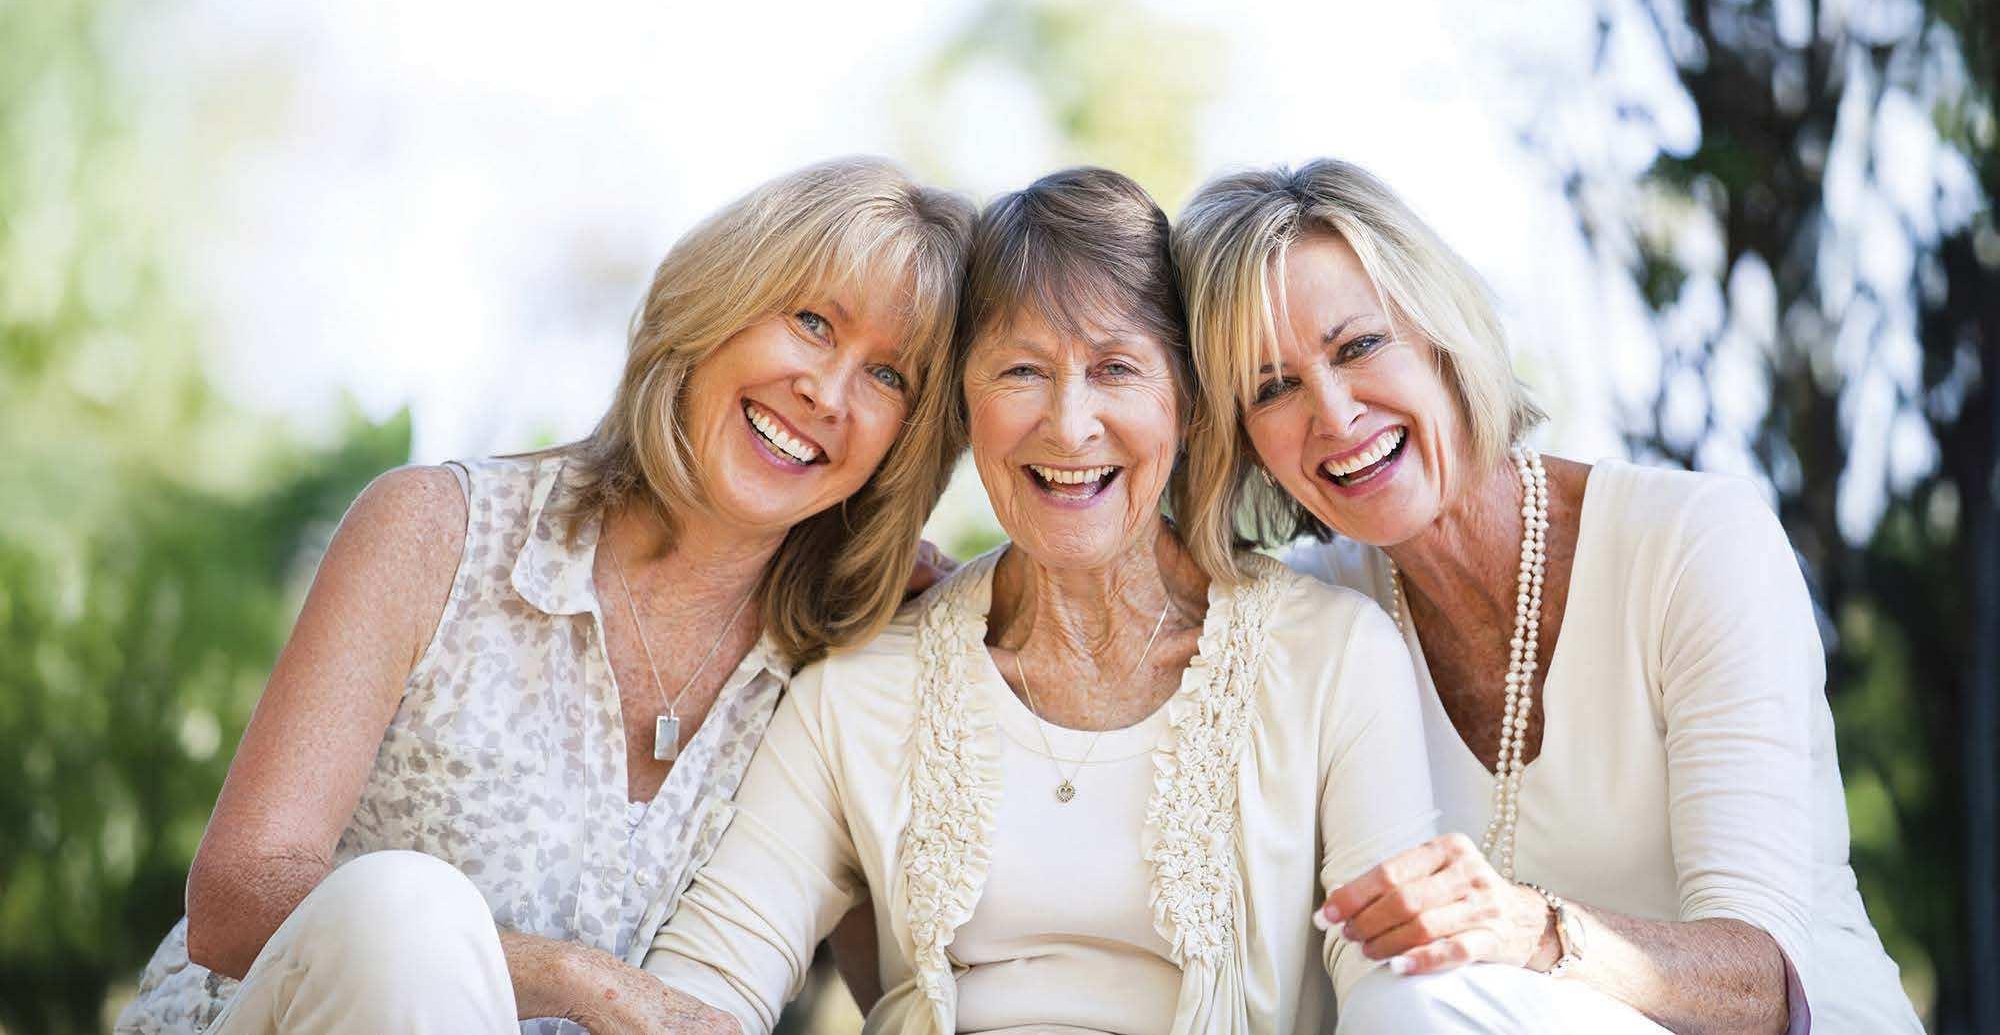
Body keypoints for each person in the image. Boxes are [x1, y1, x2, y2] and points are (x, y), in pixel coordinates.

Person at [641, 166, 1572, 1034]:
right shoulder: (858, 688)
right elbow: (711, 978)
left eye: (1117, 368)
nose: (1070, 423)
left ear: (1188, 404)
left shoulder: (1330, 655)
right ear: (963, 408)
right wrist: (563, 973)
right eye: (1021, 371)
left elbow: (1396, 984)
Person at [115, 156, 974, 1035]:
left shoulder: (839, 668)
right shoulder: (436, 533)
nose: (827, 393)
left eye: (889, 376)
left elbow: (918, 990)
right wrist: (575, 982)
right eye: (812, 323)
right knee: (407, 910)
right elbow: (236, 899)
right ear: (717, 303)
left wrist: (979, 640)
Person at [1171, 157, 1922, 1033]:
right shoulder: (1312, 621)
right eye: (1273, 388)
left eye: (1359, 346)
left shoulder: (1694, 543)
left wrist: (1534, 929)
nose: (1333, 415)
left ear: (1443, 337)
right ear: (1246, 443)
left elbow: (1762, 990)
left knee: (1413, 1002)